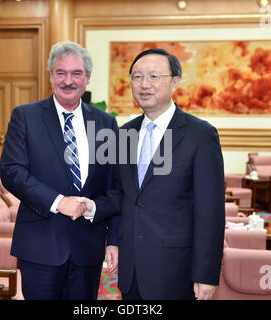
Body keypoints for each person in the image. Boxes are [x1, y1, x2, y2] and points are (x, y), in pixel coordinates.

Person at [84, 48, 225, 300]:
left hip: (176, 270)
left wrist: (206, 273)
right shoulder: (125, 134)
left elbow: (210, 212)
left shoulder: (200, 135)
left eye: (153, 76)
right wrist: (112, 238)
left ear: (175, 81)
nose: (144, 84)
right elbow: (122, 195)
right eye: (137, 77)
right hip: (131, 268)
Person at [0, 41, 120, 300]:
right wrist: (58, 202)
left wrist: (114, 239)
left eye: (76, 73)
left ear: (87, 78)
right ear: (51, 76)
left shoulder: (106, 123)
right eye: (60, 73)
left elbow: (115, 186)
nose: (68, 81)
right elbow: (12, 172)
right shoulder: (25, 117)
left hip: (88, 248)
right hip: (40, 247)